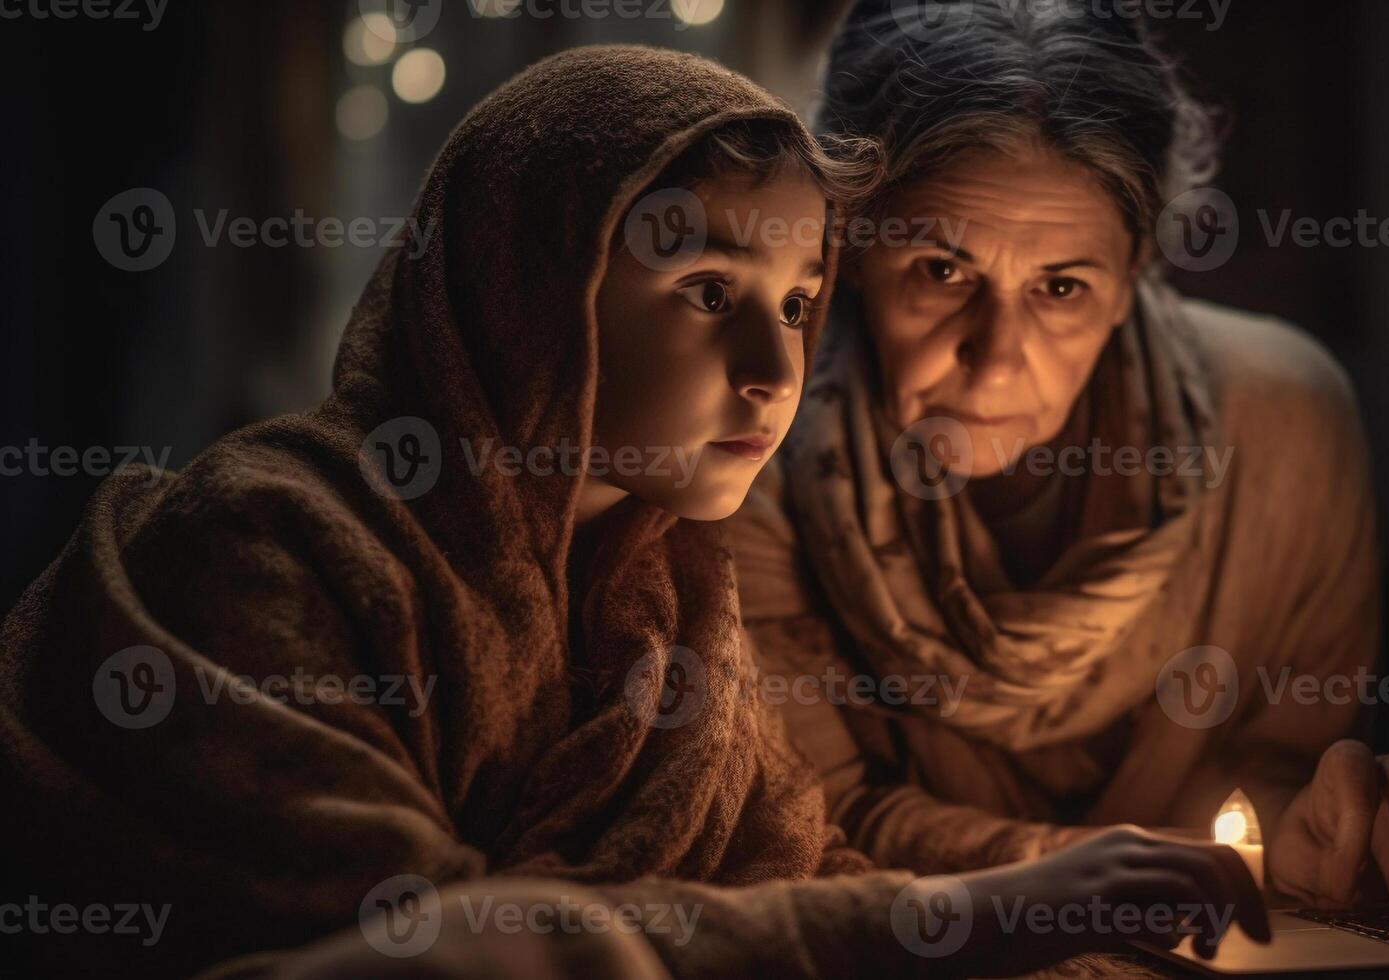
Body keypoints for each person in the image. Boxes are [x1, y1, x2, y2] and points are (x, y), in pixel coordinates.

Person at [0, 45, 1267, 979]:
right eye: (708, 289)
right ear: (528, 291)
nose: (773, 372)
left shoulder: (666, 605)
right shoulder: (268, 540)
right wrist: (979, 917)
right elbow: (439, 943)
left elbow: (801, 883)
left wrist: (1058, 902)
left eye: (793, 300)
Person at [732, 0, 1389, 921]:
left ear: (1132, 280)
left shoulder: (1284, 425)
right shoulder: (753, 447)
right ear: (846, 253)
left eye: (1062, 287)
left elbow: (1261, 784)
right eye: (941, 271)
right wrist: (1087, 872)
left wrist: (1317, 833)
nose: (997, 357)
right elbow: (809, 823)